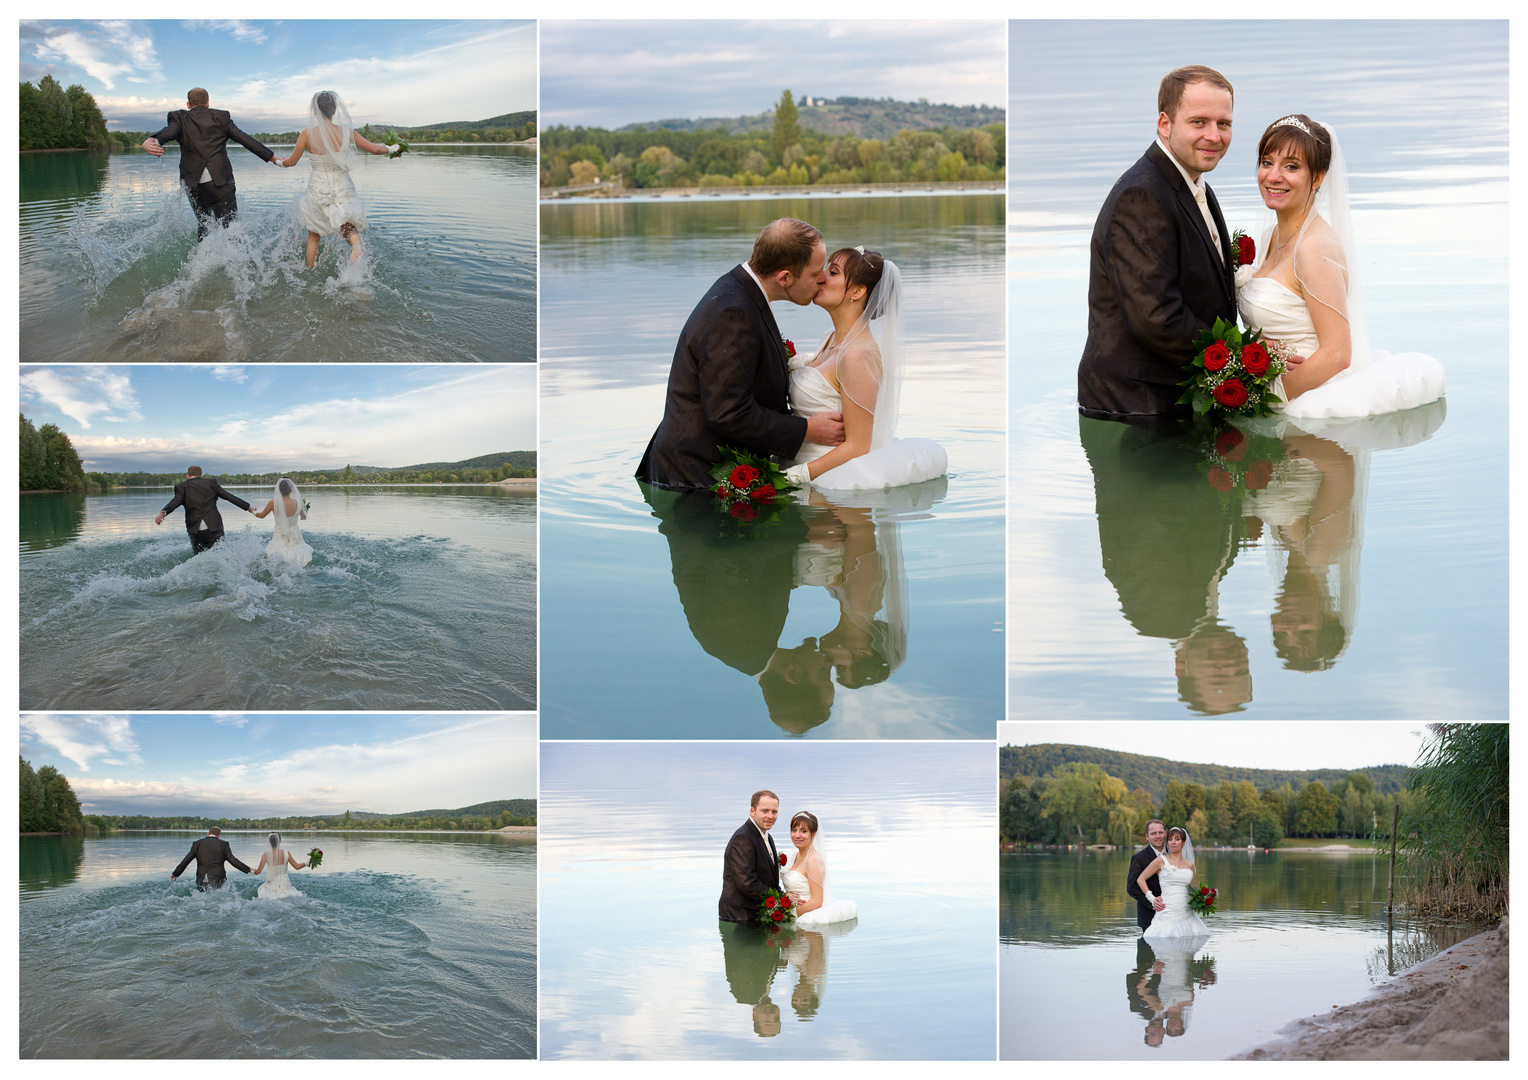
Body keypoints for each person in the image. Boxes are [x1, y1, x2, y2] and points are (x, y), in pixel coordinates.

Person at [1237, 114, 1445, 418]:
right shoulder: (1271, 236)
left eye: (1291, 167)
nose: (1273, 176)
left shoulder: (1314, 248)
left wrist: (1265, 400)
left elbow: (1337, 354)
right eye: (1267, 162)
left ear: (1318, 177)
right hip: (1267, 384)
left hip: (1306, 398)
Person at [1077, 66, 1242, 419]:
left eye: (1223, 124)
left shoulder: (1193, 184)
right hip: (1137, 409)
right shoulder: (1142, 195)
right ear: (1164, 124)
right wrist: (1239, 359)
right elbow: (1156, 317)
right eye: (1198, 122)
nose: (1214, 135)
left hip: (1173, 400)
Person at [637, 218, 845, 490]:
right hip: (693, 478)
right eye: (815, 272)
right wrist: (807, 429)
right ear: (784, 277)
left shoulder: (739, 291)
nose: (822, 278)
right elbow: (728, 413)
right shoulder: (734, 314)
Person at [779, 246, 946, 491]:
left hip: (826, 483)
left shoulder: (857, 356)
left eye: (833, 272)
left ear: (857, 291)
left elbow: (858, 446)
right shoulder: (831, 337)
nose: (821, 276)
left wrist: (796, 477)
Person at [276, 90, 402, 267]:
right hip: (342, 183)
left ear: (315, 111)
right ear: (334, 110)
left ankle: (310, 271)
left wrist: (279, 162)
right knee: (348, 226)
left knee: (314, 233)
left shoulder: (307, 134)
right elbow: (375, 149)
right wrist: (394, 148)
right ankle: (356, 247)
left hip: (318, 186)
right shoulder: (346, 132)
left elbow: (292, 162)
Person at [142, 87, 281, 240]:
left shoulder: (179, 117)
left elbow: (169, 131)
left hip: (193, 182)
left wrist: (154, 140)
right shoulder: (221, 116)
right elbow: (243, 138)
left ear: (188, 104)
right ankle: (232, 262)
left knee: (204, 224)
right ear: (208, 103)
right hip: (220, 180)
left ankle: (203, 261)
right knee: (230, 228)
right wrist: (272, 157)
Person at [780, 811, 857, 926]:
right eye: (794, 830)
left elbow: (817, 902)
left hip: (806, 920)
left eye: (803, 831)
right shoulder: (796, 855)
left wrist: (787, 916)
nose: (797, 835)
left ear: (814, 834)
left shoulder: (813, 860)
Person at [154, 465, 254, 553]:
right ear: (201, 475)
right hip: (214, 527)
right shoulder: (212, 484)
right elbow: (229, 497)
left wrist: (163, 513)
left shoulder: (182, 487)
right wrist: (248, 507)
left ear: (187, 476)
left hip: (195, 529)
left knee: (199, 560)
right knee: (221, 555)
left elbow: (175, 502)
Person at [720, 789, 784, 923]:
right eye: (765, 811)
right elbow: (747, 883)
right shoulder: (743, 838)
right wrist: (779, 899)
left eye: (774, 811)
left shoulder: (767, 836)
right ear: (752, 811)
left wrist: (784, 898)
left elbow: (768, 878)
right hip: (740, 918)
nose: (770, 816)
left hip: (755, 915)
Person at [1138, 827, 1210, 945]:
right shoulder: (1160, 860)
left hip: (1186, 911)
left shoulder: (1190, 865)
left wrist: (1203, 900)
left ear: (1184, 842)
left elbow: (1190, 890)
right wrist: (1152, 898)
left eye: (1177, 839)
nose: (1173, 842)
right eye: (1170, 839)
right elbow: (1141, 879)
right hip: (1167, 909)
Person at [253, 477, 313, 566]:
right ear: (292, 489)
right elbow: (304, 517)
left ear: (279, 489)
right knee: (298, 553)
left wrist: (252, 511)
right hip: (295, 536)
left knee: (278, 557)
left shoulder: (273, 502)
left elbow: (261, 516)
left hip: (279, 535)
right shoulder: (298, 503)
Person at [171, 826, 252, 891]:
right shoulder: (223, 844)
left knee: (201, 894)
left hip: (201, 876)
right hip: (217, 876)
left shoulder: (197, 844)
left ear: (208, 834)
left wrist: (176, 873)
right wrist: (248, 869)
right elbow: (233, 860)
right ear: (219, 835)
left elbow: (186, 860)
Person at [1126, 819, 1168, 930]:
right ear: (1146, 836)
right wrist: (1152, 902)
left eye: (1160, 832)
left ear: (1165, 834)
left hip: (1174, 914)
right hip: (1149, 917)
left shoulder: (1175, 854)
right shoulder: (1139, 858)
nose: (1158, 836)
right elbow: (1132, 888)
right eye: (1153, 833)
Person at [253, 832, 308, 899]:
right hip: (285, 885)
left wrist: (250, 870)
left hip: (271, 886)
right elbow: (297, 867)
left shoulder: (266, 855)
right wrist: (308, 862)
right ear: (280, 841)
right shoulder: (286, 853)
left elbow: (258, 871)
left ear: (269, 842)